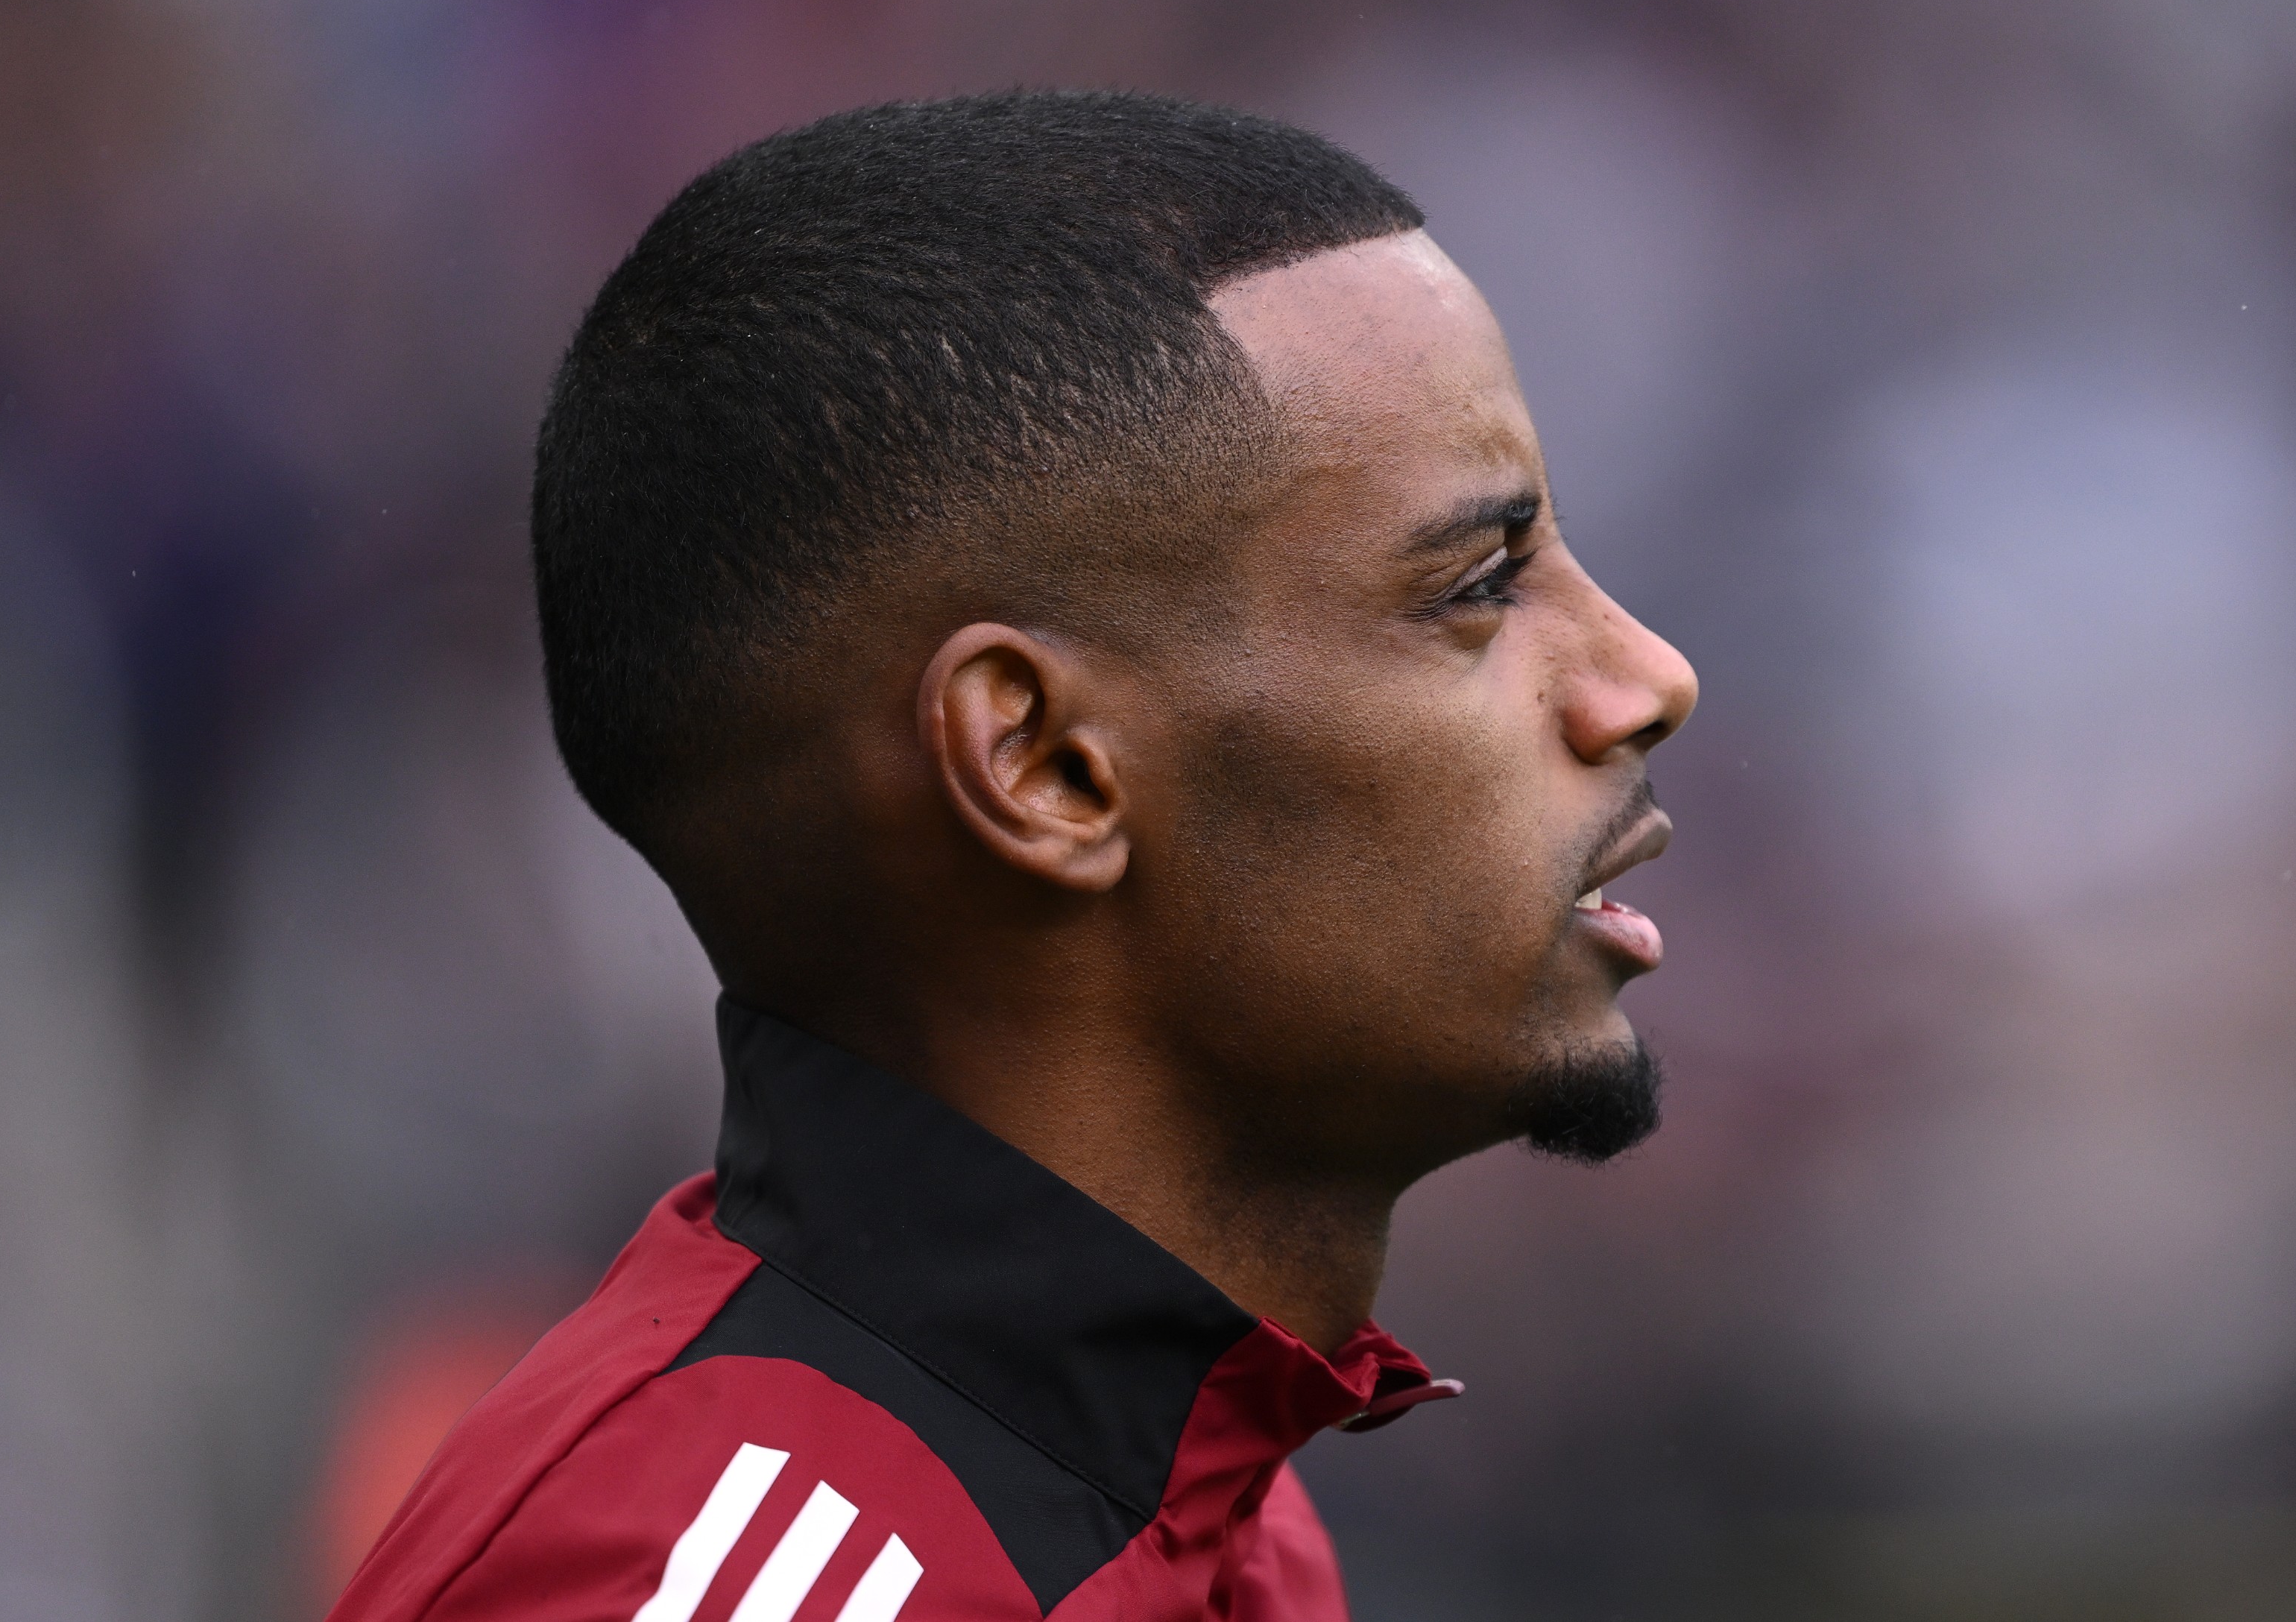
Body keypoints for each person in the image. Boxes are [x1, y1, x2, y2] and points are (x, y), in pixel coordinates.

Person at [327, 91, 1699, 1622]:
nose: (1645, 673)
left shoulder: (1226, 1516)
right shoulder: (733, 1589)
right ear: (1044, 766)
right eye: (1475, 585)